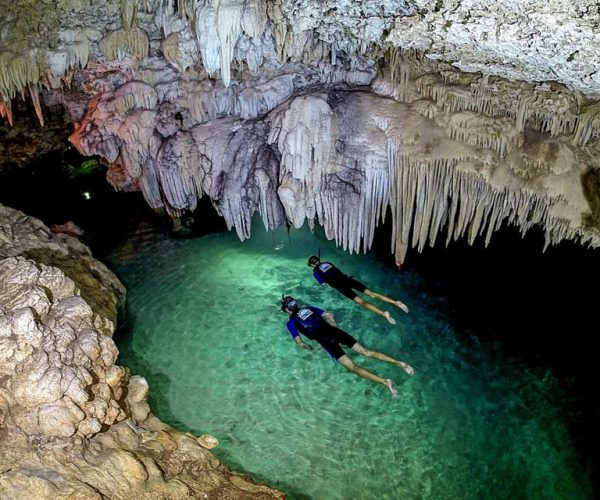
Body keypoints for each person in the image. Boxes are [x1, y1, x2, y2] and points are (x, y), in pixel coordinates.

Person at [280, 295, 414, 396]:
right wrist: (334, 329)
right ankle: (398, 363)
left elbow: (300, 343)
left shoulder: (291, 323)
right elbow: (328, 315)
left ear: (287, 310)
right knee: (365, 352)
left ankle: (385, 382)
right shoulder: (309, 308)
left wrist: (313, 348)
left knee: (352, 367)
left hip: (326, 342)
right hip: (336, 332)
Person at [307, 255, 409, 325]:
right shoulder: (328, 263)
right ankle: (396, 302)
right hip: (348, 280)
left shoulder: (316, 273)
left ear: (312, 265)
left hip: (342, 287)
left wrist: (327, 286)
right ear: (318, 260)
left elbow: (324, 284)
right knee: (372, 294)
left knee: (362, 302)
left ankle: (384, 314)